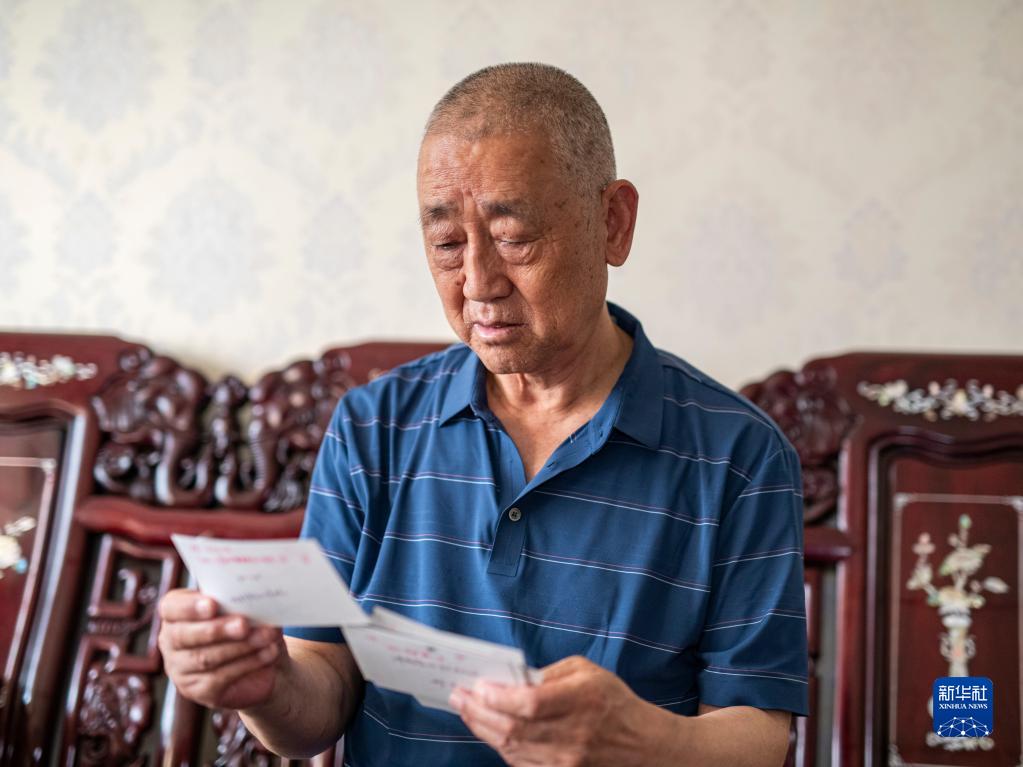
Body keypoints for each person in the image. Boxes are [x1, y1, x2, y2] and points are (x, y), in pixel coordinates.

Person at [158, 62, 808, 766]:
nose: (477, 282)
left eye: (513, 237)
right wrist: (265, 686)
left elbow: (757, 733)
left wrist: (642, 742)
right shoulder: (375, 427)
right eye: (446, 245)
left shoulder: (737, 454)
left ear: (612, 223)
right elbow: (320, 693)